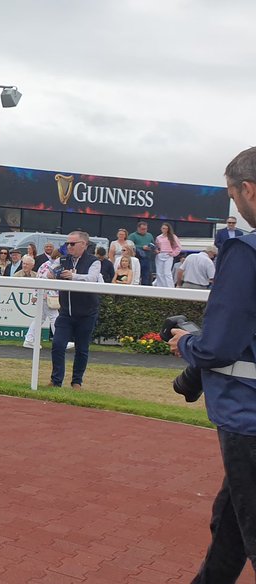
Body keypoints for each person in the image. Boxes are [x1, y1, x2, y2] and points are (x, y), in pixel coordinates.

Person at [169, 147, 256, 582]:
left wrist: (187, 344)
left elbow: (219, 346)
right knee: (231, 528)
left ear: (249, 190)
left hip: (249, 418)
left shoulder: (246, 252)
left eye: (232, 194)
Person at [47, 231, 102, 389]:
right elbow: (49, 273)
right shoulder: (63, 259)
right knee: (58, 344)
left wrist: (73, 276)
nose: (68, 247)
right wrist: (53, 274)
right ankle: (56, 381)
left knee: (82, 348)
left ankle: (77, 382)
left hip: (87, 312)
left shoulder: (94, 261)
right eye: (67, 244)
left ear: (83, 244)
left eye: (72, 244)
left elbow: (92, 279)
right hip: (65, 312)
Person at [153, 222, 182, 287]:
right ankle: (160, 287)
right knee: (159, 273)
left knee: (167, 273)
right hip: (160, 255)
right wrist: (156, 251)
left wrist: (173, 253)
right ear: (161, 229)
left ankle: (170, 287)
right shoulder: (158, 237)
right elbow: (157, 247)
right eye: (163, 228)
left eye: (166, 229)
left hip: (168, 255)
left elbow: (178, 247)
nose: (164, 230)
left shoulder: (173, 237)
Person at [128, 221, 156, 286]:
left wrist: (153, 248)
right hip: (137, 258)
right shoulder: (133, 236)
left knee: (147, 275)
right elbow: (129, 246)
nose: (144, 230)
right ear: (138, 228)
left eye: (145, 229)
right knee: (136, 274)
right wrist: (141, 247)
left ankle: (145, 289)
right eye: (142, 229)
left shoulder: (149, 235)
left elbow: (153, 244)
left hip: (147, 258)